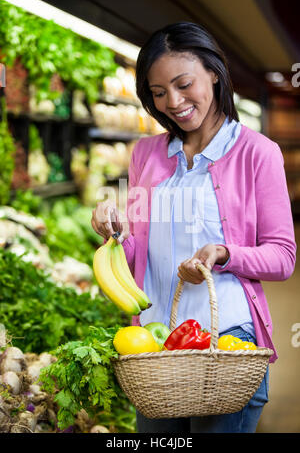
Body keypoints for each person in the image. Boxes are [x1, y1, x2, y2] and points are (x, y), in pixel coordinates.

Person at [91, 22, 296, 433]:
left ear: (214, 74)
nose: (174, 102)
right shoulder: (146, 154)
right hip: (154, 343)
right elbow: (137, 257)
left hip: (227, 342)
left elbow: (283, 256)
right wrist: (114, 233)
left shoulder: (258, 153)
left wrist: (224, 253)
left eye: (184, 84)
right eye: (159, 92)